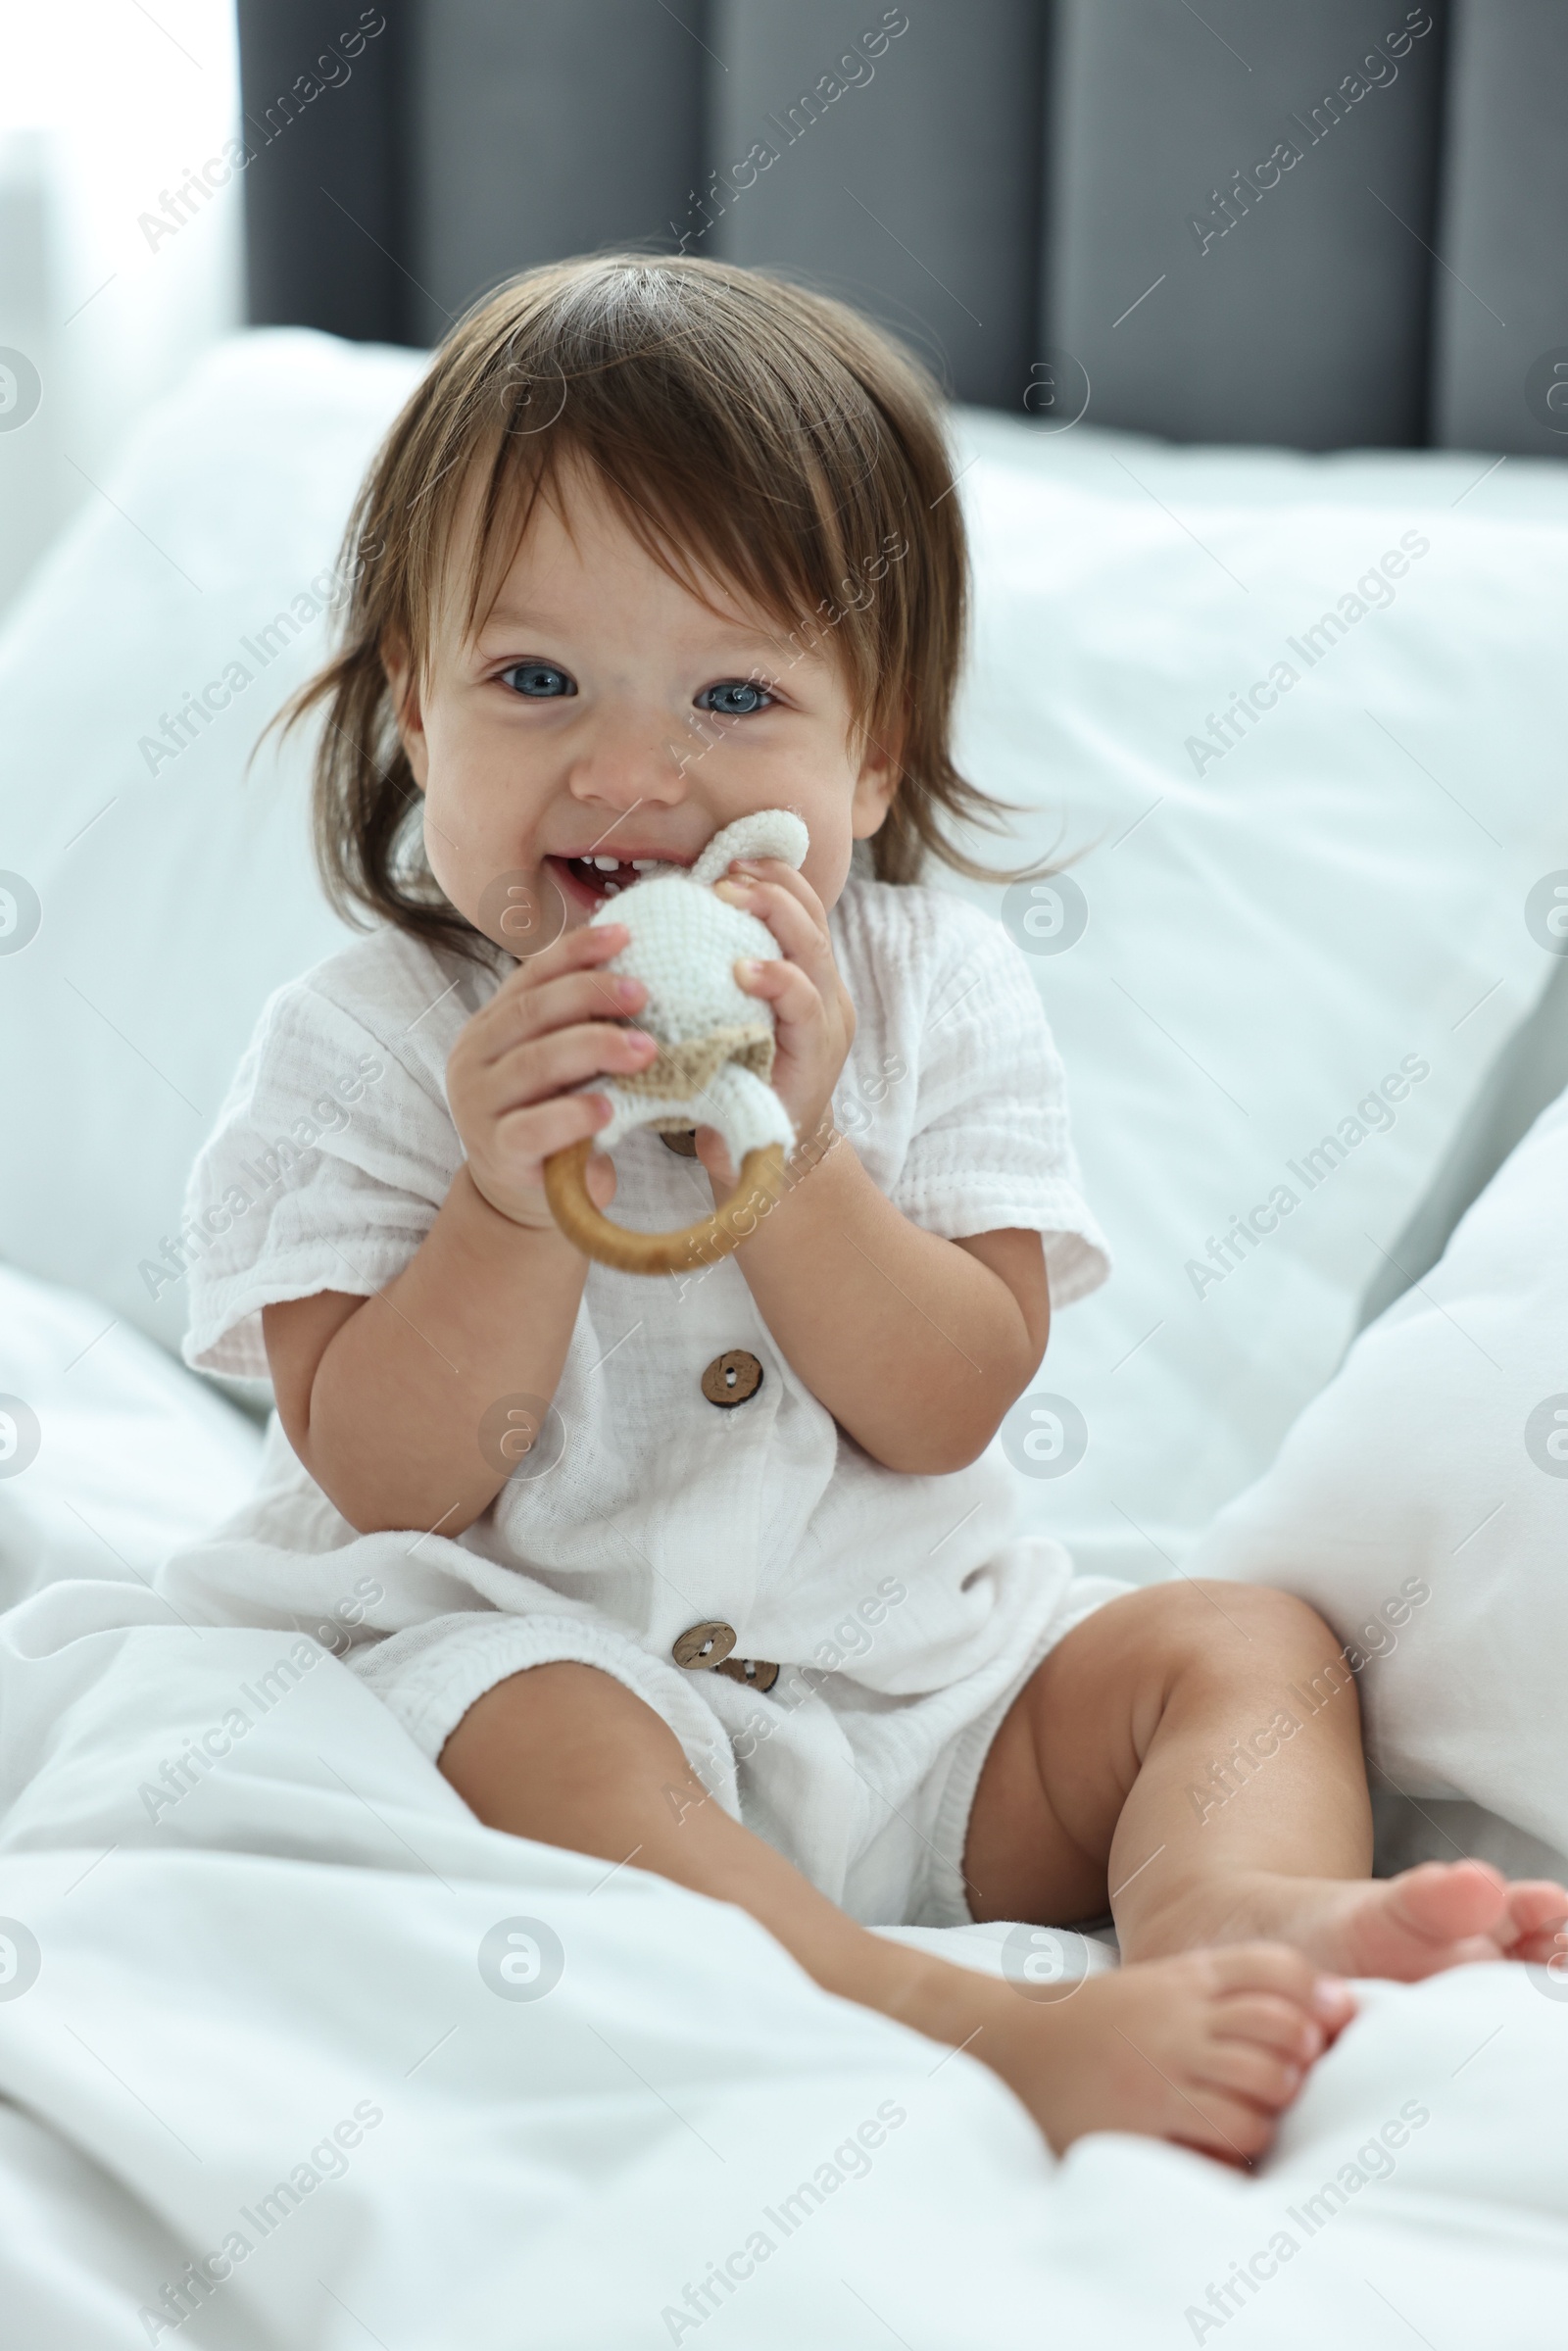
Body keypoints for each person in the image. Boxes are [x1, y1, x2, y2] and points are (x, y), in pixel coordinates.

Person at [170, 256, 1568, 2161]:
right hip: (532, 1670)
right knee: (536, 1715)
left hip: (918, 1702)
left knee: (1243, 1644)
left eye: (734, 694)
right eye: (531, 680)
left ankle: (1225, 1907)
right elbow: (393, 1482)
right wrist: (503, 1209)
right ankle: (935, 2012)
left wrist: (801, 1158)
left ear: (870, 755)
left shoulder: (930, 1002)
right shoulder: (359, 1045)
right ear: (414, 707)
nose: (630, 772)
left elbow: (944, 1404)